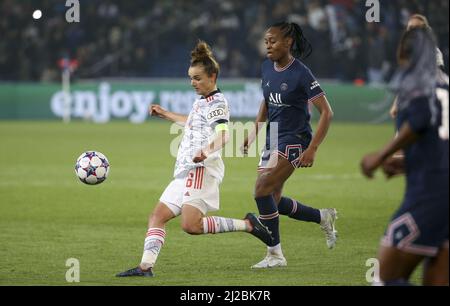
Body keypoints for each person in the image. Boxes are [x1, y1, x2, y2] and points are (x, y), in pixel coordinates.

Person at [116, 41, 272, 277]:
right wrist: (165, 113)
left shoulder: (217, 103)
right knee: (157, 216)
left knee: (191, 226)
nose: (193, 83)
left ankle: (248, 224)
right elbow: (190, 122)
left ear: (212, 76)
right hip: (185, 169)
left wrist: (207, 151)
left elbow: (224, 134)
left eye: (198, 78)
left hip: (200, 168)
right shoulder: (202, 101)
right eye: (191, 78)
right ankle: (145, 267)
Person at [241, 22, 337, 269]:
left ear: (288, 42)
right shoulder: (266, 68)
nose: (268, 46)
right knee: (273, 197)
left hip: (295, 139)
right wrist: (253, 132)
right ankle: (322, 216)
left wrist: (312, 148)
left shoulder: (301, 73)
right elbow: (266, 101)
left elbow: (327, 113)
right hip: (273, 138)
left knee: (261, 189)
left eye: (273, 41)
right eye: (266, 42)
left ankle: (275, 255)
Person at [361, 27, 449, 286]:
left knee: (384, 278)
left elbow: (420, 121)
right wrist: (404, 164)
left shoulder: (418, 86)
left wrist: (380, 156)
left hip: (429, 196)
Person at [389, 14, 445, 119]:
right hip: (409, 108)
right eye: (409, 28)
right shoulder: (408, 53)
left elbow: (438, 81)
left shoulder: (434, 52)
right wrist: (396, 103)